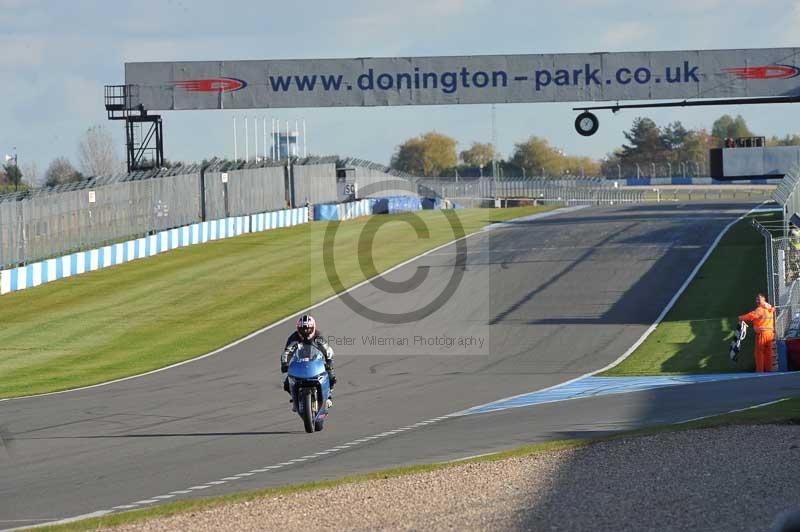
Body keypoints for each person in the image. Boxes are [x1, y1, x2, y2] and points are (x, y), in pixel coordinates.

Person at [280, 314, 336, 409]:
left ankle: (328, 397)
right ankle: (296, 399)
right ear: (298, 329)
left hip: (316, 363)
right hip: (299, 364)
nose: (305, 331)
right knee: (287, 383)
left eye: (308, 328)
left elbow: (327, 350)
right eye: (303, 329)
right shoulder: (293, 338)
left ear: (313, 328)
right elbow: (287, 352)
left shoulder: (318, 336)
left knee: (330, 376)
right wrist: (285, 363)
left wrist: (329, 361)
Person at [737, 293, 775, 372]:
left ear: (764, 300)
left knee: (759, 353)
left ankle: (760, 371)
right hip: (770, 333)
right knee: (768, 353)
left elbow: (751, 316)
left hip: (762, 333)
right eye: (757, 299)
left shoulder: (760, 309)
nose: (757, 301)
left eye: (759, 299)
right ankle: (769, 371)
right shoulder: (770, 308)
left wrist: (740, 318)